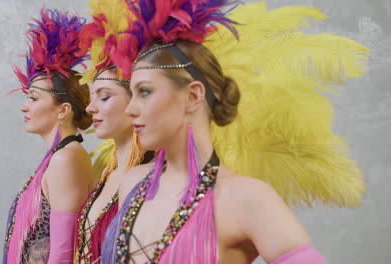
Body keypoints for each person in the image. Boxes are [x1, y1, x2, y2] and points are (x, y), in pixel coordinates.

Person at [101, 0, 368, 263]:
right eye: (132, 94)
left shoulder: (245, 198)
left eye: (145, 92)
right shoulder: (131, 184)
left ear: (193, 96)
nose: (131, 109)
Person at [3, 9, 94, 264]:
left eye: (33, 98)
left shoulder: (67, 159)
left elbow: (64, 253)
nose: (24, 106)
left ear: (63, 110)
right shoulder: (60, 155)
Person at [72, 1, 153, 263]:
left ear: (137, 100)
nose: (90, 107)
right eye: (92, 96)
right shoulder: (107, 172)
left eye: (104, 97)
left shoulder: (152, 179)